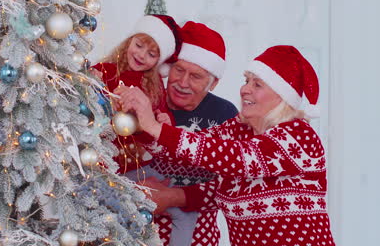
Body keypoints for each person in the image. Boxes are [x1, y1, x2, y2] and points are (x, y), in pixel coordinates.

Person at [118, 45, 336, 246]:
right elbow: (182, 153)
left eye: (257, 84)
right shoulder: (239, 129)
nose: (245, 90)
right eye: (246, 80)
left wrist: (156, 128)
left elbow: (236, 158)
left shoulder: (298, 135)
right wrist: (142, 125)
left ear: (282, 96)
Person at [129, 21, 238, 246]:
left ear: (214, 83)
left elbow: (233, 186)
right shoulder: (146, 100)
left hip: (198, 238)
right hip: (133, 232)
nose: (182, 83)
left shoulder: (225, 115)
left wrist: (172, 197)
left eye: (196, 76)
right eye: (179, 70)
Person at [92, 14, 180, 173]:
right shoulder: (107, 70)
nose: (141, 55)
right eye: (138, 45)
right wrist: (91, 80)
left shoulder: (155, 85)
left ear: (158, 61)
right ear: (129, 42)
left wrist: (166, 120)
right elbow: (84, 89)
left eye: (151, 54)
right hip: (101, 158)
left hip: (137, 165)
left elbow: (161, 115)